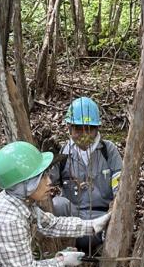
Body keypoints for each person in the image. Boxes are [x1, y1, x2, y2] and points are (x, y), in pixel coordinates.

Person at [50, 97, 122, 254]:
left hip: (101, 219)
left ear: (97, 129)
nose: (83, 134)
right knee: (57, 204)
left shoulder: (108, 151)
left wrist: (114, 209)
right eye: (78, 129)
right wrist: (47, 159)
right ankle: (66, 249)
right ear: (69, 128)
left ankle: (100, 246)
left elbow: (120, 185)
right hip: (72, 221)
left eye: (89, 129)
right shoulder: (63, 153)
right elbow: (44, 183)